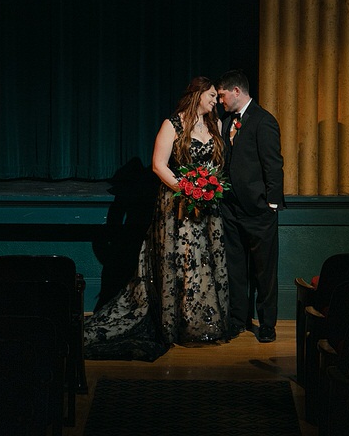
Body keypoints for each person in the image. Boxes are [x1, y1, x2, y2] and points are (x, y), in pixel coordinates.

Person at [83, 76, 230, 361]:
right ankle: (176, 324)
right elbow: (158, 166)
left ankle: (201, 324)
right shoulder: (172, 124)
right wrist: (187, 189)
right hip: (177, 206)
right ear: (197, 95)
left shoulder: (216, 125)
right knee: (183, 262)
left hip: (207, 208)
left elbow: (216, 164)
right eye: (212, 95)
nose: (216, 101)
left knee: (203, 262)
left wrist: (208, 188)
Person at [216, 69, 284, 343]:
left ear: (236, 91)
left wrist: (271, 204)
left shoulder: (263, 120)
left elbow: (273, 164)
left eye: (222, 95)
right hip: (231, 208)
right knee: (235, 267)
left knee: (264, 270)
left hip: (258, 210)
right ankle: (237, 320)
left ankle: (267, 324)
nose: (220, 101)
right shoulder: (226, 121)